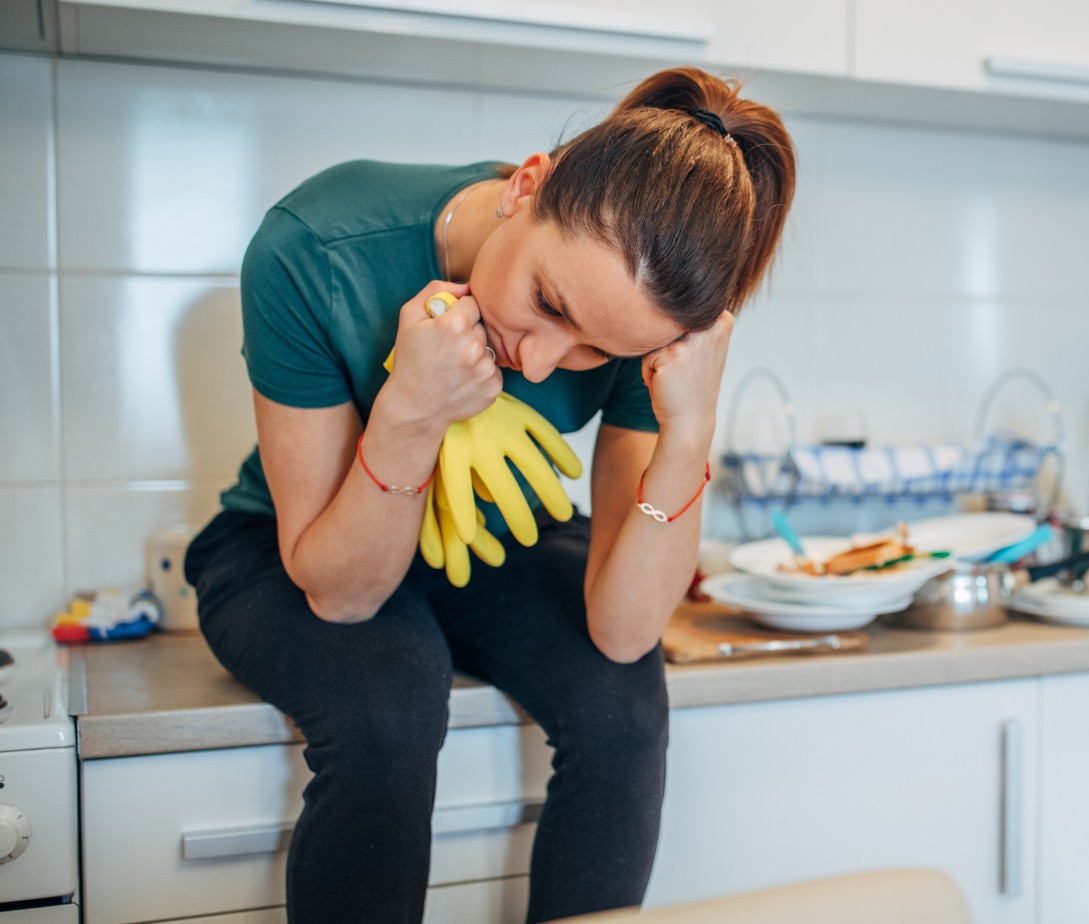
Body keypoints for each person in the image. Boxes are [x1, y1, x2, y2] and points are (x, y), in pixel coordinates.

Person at [182, 67, 796, 924]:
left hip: (497, 533)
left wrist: (689, 428)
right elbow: (343, 591)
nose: (542, 363)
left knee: (624, 707)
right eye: (548, 303)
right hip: (300, 541)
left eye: (592, 351)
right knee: (388, 702)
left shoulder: (636, 323)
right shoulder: (316, 247)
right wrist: (409, 412)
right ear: (527, 184)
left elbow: (623, 632)